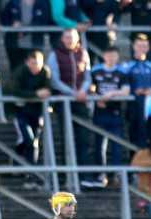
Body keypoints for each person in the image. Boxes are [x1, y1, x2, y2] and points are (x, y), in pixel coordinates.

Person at [47, 28, 97, 187]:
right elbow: (54, 79)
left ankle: (85, 175)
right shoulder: (54, 54)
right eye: (66, 37)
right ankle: (67, 174)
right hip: (64, 102)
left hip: (80, 101)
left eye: (72, 37)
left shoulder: (83, 53)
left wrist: (82, 90)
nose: (69, 40)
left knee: (84, 138)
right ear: (62, 38)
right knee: (66, 138)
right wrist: (72, 92)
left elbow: (88, 75)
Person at [9, 50, 52, 189]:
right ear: (27, 62)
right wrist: (35, 94)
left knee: (34, 142)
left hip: (37, 111)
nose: (35, 66)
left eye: (37, 64)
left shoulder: (45, 72)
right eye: (32, 63)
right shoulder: (20, 72)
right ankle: (16, 160)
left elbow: (48, 89)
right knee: (27, 139)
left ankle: (29, 176)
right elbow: (13, 90)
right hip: (21, 111)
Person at [90, 45, 130, 186]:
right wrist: (97, 98)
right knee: (99, 145)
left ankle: (116, 175)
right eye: (108, 54)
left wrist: (111, 94)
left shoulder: (122, 72)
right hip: (99, 113)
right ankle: (101, 174)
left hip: (116, 113)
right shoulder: (95, 70)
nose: (111, 57)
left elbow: (125, 91)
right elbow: (89, 87)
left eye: (113, 55)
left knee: (117, 145)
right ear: (104, 55)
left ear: (117, 57)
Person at [127, 34, 151, 149]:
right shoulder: (127, 66)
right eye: (139, 46)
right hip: (134, 106)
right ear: (133, 47)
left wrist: (150, 91)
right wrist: (135, 92)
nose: (141, 49)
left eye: (144, 46)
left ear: (148, 48)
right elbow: (125, 86)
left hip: (150, 107)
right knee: (134, 135)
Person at [0, 0, 53, 72]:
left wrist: (24, 31)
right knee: (16, 71)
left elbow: (45, 21)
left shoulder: (42, 3)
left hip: (35, 44)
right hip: (14, 45)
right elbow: (4, 19)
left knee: (35, 71)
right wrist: (13, 23)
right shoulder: (12, 3)